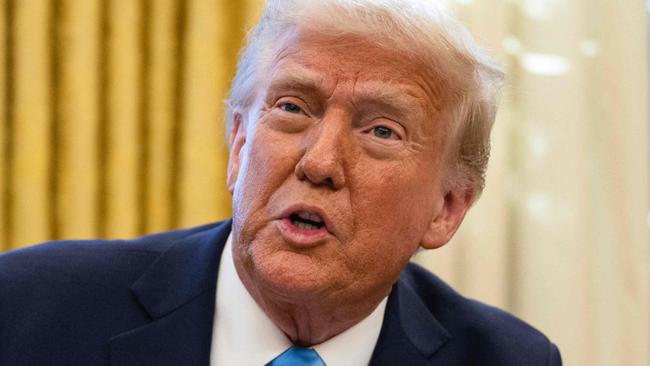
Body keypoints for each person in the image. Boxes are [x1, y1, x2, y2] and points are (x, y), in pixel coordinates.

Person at [0, 0, 562, 365]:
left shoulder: (508, 359)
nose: (319, 162)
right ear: (240, 145)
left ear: (448, 207)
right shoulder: (28, 308)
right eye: (292, 106)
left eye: (383, 131)